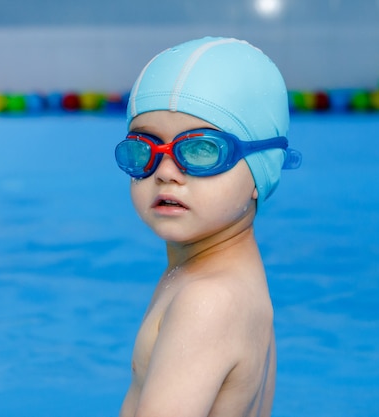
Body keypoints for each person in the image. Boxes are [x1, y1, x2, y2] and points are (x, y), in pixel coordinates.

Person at [114, 37, 301, 417]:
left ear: (259, 173)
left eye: (200, 150)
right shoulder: (215, 275)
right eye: (145, 148)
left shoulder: (208, 302)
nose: (165, 172)